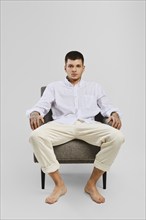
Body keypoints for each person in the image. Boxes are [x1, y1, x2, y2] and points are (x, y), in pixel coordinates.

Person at [26, 51, 125, 205]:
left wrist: (114, 113)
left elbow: (107, 106)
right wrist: (35, 112)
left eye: (78, 66)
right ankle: (59, 185)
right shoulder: (54, 87)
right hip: (62, 125)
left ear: (83, 68)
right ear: (65, 68)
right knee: (35, 136)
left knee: (118, 137)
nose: (74, 69)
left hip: (88, 125)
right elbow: (42, 105)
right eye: (70, 66)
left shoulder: (95, 87)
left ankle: (91, 184)